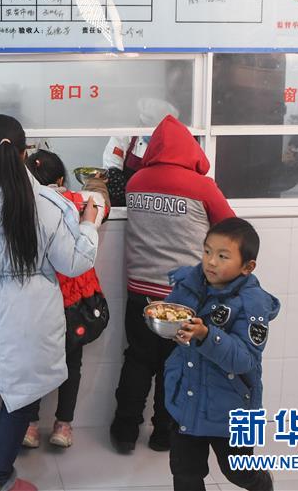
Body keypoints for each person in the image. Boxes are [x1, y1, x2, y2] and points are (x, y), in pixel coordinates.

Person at [0, 115, 100, 491]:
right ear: (25, 152)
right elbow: (73, 262)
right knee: (21, 395)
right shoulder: (49, 204)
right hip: (31, 310)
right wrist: (90, 224)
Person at [110, 115, 235, 455]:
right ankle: (164, 434)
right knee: (177, 364)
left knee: (137, 359)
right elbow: (231, 228)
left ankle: (124, 431)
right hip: (185, 296)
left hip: (140, 291)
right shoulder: (203, 187)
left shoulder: (136, 182)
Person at [164, 218, 277, 491]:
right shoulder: (190, 282)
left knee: (238, 472)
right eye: (207, 251)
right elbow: (171, 314)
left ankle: (263, 484)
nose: (211, 262)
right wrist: (168, 327)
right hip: (186, 398)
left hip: (232, 408)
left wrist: (206, 335)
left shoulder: (252, 304)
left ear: (247, 267)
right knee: (185, 473)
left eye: (223, 256)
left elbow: (245, 359)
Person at [21, 149, 110, 450]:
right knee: (72, 364)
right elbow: (101, 203)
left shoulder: (23, 205)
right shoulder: (76, 201)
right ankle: (63, 425)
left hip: (37, 305)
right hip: (76, 303)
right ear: (61, 179)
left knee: (33, 364)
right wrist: (96, 181)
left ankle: (30, 425)